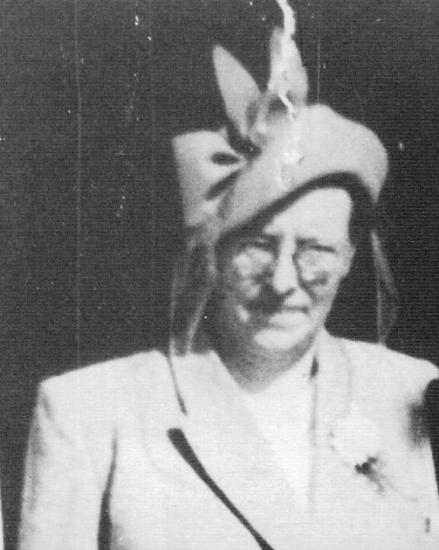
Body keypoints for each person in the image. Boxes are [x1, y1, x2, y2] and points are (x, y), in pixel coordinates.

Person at [19, 3, 439, 549]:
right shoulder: (88, 413)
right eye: (257, 247)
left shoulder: (411, 392)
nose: (283, 282)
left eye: (315, 250)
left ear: (350, 257)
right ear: (212, 255)